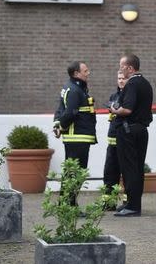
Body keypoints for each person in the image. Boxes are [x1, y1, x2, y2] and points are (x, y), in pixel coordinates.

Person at [110, 54, 153, 217]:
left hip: (128, 131)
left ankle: (133, 206)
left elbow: (127, 109)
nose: (120, 69)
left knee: (129, 168)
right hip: (141, 130)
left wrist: (114, 110)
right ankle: (132, 203)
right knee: (137, 168)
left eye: (122, 66)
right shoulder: (146, 84)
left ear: (130, 68)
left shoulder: (132, 84)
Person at [53, 61, 97, 206]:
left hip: (77, 138)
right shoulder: (75, 90)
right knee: (76, 173)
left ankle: (67, 204)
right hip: (78, 138)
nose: (88, 73)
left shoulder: (71, 88)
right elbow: (70, 112)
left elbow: (60, 108)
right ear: (76, 74)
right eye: (85, 71)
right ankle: (68, 205)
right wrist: (61, 127)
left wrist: (57, 125)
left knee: (72, 172)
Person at [103, 71, 127, 210]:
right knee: (110, 172)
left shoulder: (129, 96)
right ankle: (109, 203)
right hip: (112, 140)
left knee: (127, 174)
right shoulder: (114, 96)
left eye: (123, 78)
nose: (121, 81)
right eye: (119, 78)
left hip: (124, 140)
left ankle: (127, 203)